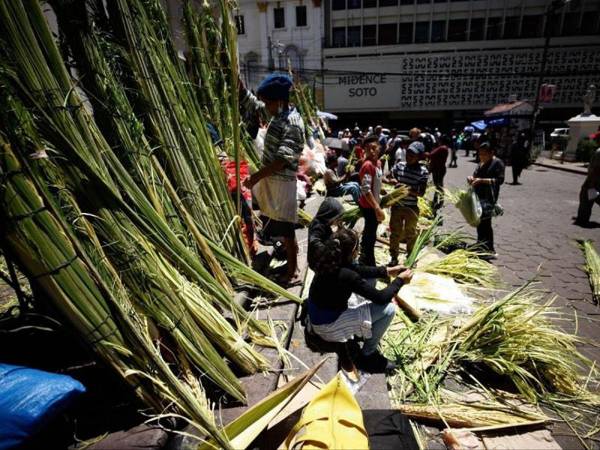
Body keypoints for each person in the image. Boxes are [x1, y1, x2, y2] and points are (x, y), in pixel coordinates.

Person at [306, 228, 413, 372]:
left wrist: (386, 271)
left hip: (318, 316)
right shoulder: (346, 275)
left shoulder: (330, 261)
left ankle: (362, 332)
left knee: (370, 280)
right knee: (388, 310)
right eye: (358, 248)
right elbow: (381, 298)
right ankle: (368, 354)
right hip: (327, 326)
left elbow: (359, 270)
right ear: (353, 252)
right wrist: (400, 280)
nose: (359, 251)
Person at [242, 73, 304, 285]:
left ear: (279, 101)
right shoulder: (278, 115)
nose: (265, 106)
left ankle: (293, 270)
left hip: (283, 183)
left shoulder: (292, 124)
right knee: (280, 226)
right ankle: (290, 264)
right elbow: (256, 105)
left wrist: (255, 177)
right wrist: (239, 85)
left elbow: (281, 161)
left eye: (268, 102)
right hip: (274, 181)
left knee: (286, 228)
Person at [386, 141, 429, 265]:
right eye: (408, 153)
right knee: (395, 233)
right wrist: (392, 181)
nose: (409, 157)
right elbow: (387, 177)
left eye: (413, 155)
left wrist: (407, 189)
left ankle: (410, 257)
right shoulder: (399, 166)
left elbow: (421, 193)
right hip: (397, 206)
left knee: (411, 234)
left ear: (419, 157)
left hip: (411, 208)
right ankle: (394, 257)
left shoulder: (423, 171)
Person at [468, 142, 505, 257]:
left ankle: (490, 249)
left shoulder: (497, 163)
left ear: (491, 153)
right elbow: (475, 175)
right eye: (480, 154)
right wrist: (471, 178)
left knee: (486, 223)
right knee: (479, 222)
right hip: (478, 196)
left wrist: (482, 181)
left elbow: (499, 180)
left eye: (484, 154)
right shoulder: (481, 163)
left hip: (488, 198)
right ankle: (480, 244)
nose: (481, 156)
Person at [358, 135, 385, 266]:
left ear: (379, 148)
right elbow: (366, 190)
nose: (372, 151)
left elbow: (377, 179)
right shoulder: (367, 165)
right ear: (365, 151)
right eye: (369, 149)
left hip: (374, 203)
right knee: (370, 234)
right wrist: (377, 208)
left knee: (370, 232)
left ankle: (365, 256)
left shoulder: (378, 163)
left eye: (374, 148)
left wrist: (385, 183)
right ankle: (368, 262)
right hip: (369, 206)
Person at [307, 197, 345, 271]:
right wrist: (328, 251)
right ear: (329, 215)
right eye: (337, 217)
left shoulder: (325, 222)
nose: (338, 219)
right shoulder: (317, 225)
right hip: (317, 262)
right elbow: (314, 240)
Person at [574, 144, 600, 227]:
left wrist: (591, 183)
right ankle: (582, 218)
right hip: (596, 180)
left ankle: (582, 219)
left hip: (595, 181)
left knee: (585, 196)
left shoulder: (599, 152)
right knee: (591, 196)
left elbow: (597, 168)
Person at [426, 135, 449, 214]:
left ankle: (439, 202)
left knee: (438, 186)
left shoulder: (442, 148)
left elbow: (431, 155)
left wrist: (424, 154)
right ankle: (437, 200)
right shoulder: (443, 148)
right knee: (438, 186)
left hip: (438, 169)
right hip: (438, 169)